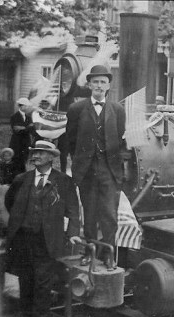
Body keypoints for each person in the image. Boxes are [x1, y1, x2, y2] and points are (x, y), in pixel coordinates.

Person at [3, 140, 81, 317]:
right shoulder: (22, 179)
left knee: (42, 284)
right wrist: (21, 220)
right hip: (22, 239)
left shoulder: (63, 181)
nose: (35, 156)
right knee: (25, 281)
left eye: (40, 152)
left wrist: (72, 232)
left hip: (47, 241)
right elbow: (10, 202)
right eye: (33, 152)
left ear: (51, 157)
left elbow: (73, 210)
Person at [66, 65, 126, 261]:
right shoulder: (76, 109)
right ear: (89, 84)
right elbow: (71, 141)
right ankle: (89, 253)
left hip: (109, 171)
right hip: (86, 172)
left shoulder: (118, 110)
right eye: (96, 82)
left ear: (108, 85)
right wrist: (79, 164)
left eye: (103, 82)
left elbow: (120, 139)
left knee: (109, 215)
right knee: (89, 215)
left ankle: (108, 254)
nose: (99, 85)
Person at [9, 97, 35, 175]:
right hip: (17, 142)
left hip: (26, 141)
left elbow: (31, 129)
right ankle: (15, 177)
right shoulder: (14, 116)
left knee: (24, 159)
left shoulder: (29, 117)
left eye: (27, 106)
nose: (27, 107)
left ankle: (22, 176)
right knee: (16, 159)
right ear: (20, 106)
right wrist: (27, 127)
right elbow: (16, 129)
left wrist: (24, 128)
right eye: (25, 106)